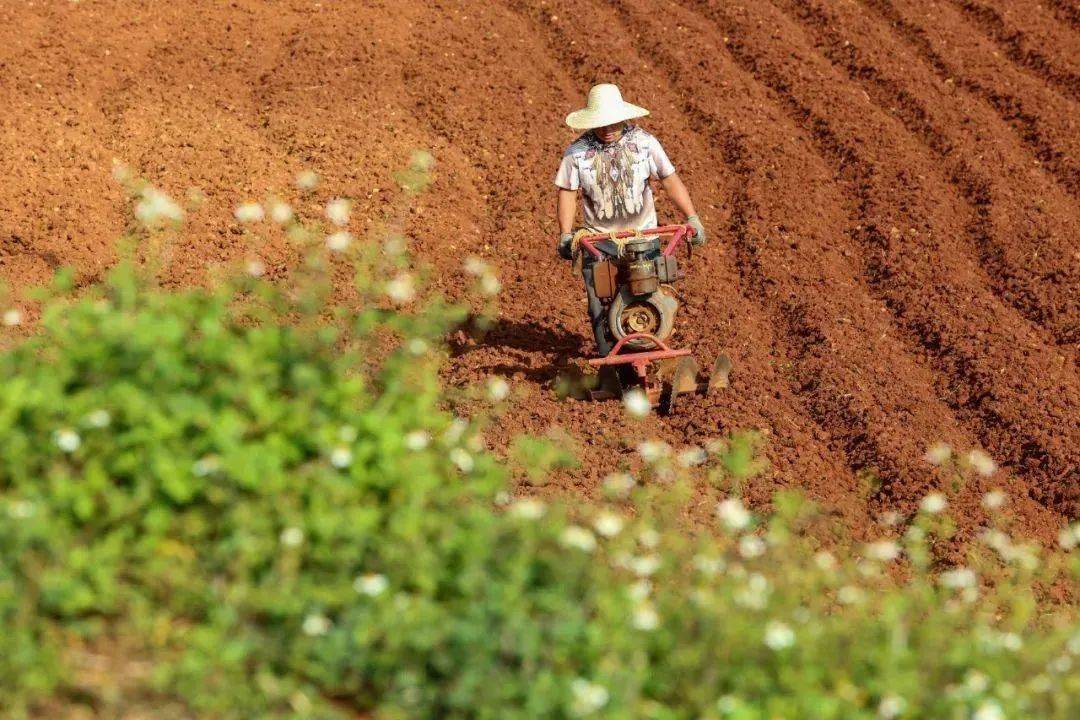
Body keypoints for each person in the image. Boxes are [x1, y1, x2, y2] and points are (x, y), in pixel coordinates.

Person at [554, 83, 706, 356]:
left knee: (654, 300)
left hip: (643, 239)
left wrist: (692, 217)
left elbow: (669, 181)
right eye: (601, 123)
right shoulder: (576, 153)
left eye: (613, 122)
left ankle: (655, 357)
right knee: (600, 307)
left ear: (623, 117)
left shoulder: (645, 143)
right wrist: (566, 234)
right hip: (599, 244)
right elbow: (568, 192)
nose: (608, 128)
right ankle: (610, 364)